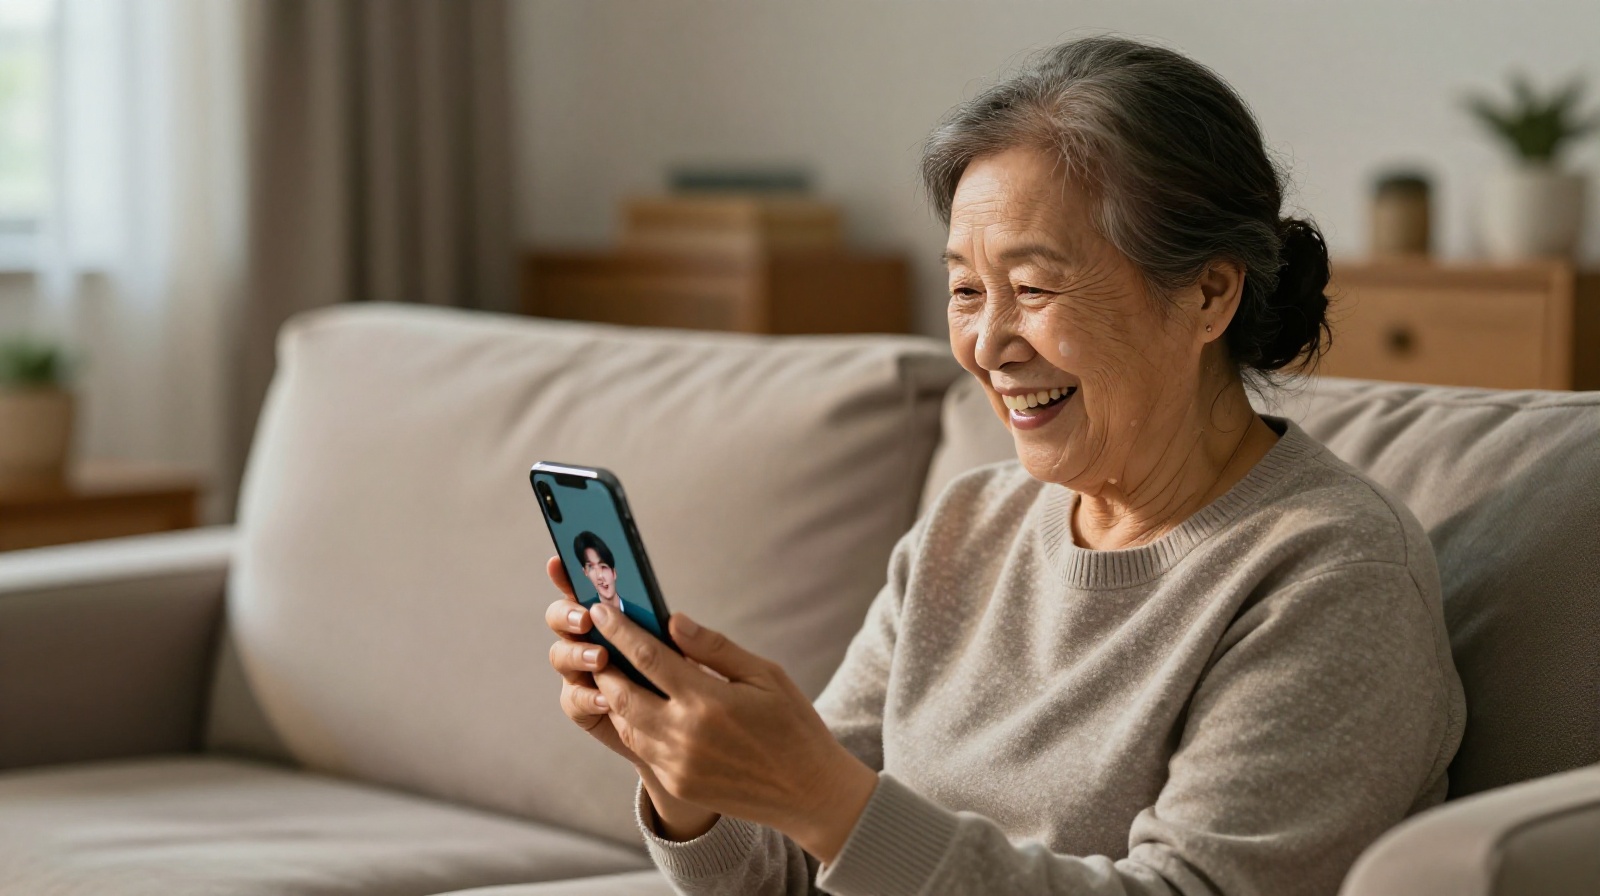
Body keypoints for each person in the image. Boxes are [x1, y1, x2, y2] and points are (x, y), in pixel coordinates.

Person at [543, 36, 1464, 896]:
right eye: (965, 292)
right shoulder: (968, 525)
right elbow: (794, 870)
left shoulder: (1332, 574)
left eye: (1031, 289)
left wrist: (824, 798)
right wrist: (687, 775)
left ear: (1208, 292)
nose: (987, 344)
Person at [572, 531, 625, 615]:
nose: (599, 576)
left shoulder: (643, 617)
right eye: (591, 567)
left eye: (603, 566)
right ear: (585, 572)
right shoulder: (584, 614)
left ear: (614, 573)